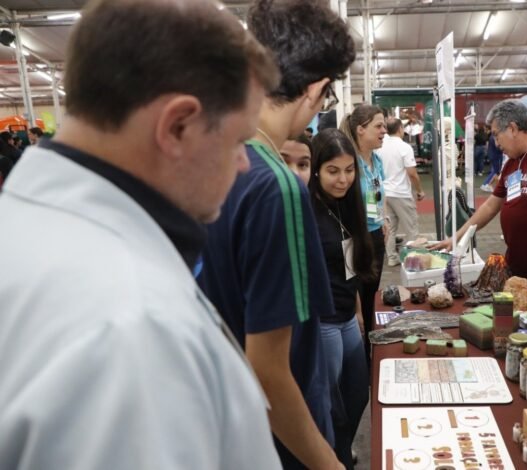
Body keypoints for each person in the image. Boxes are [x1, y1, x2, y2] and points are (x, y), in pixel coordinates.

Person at [0, 0, 282, 468]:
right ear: (178, 126)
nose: (243, 163)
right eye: (237, 140)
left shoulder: (23, 227)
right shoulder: (134, 329)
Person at [197, 0, 355, 468]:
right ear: (317, 89)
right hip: (277, 440)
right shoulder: (276, 185)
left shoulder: (216, 159)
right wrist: (328, 462)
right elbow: (268, 368)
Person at [433, 99, 527, 310]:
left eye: (495, 134)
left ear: (512, 128)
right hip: (517, 268)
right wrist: (458, 237)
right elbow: (492, 205)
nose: (495, 142)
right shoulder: (513, 161)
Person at [309, 128, 372, 469]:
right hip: (324, 322)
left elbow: (351, 267)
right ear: (317, 169)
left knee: (358, 392)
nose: (343, 179)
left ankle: (342, 449)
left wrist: (360, 311)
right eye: (333, 170)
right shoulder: (308, 210)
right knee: (328, 407)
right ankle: (333, 458)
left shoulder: (345, 205)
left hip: (348, 316)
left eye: (349, 170)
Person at [340, 104, 387, 349]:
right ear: (360, 129)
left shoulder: (376, 160)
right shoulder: (349, 165)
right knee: (356, 300)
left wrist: (384, 219)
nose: (384, 131)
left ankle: (369, 351)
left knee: (371, 299)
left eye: (385, 126)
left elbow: (379, 194)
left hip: (376, 236)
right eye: (378, 126)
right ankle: (361, 356)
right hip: (355, 240)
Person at [377, 116, 424, 267]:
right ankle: (413, 259)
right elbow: (412, 173)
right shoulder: (404, 147)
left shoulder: (379, 146)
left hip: (384, 193)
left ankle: (391, 257)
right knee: (411, 227)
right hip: (401, 193)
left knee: (390, 228)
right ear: (399, 129)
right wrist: (419, 190)